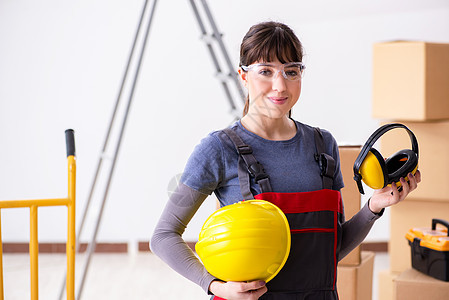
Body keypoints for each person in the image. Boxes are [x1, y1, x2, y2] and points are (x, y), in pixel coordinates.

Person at [150, 21, 421, 300]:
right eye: (265, 71)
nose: (280, 86)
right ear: (243, 76)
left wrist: (373, 207)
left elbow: (331, 249)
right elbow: (163, 236)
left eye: (291, 71)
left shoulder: (323, 145)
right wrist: (214, 285)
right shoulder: (217, 149)